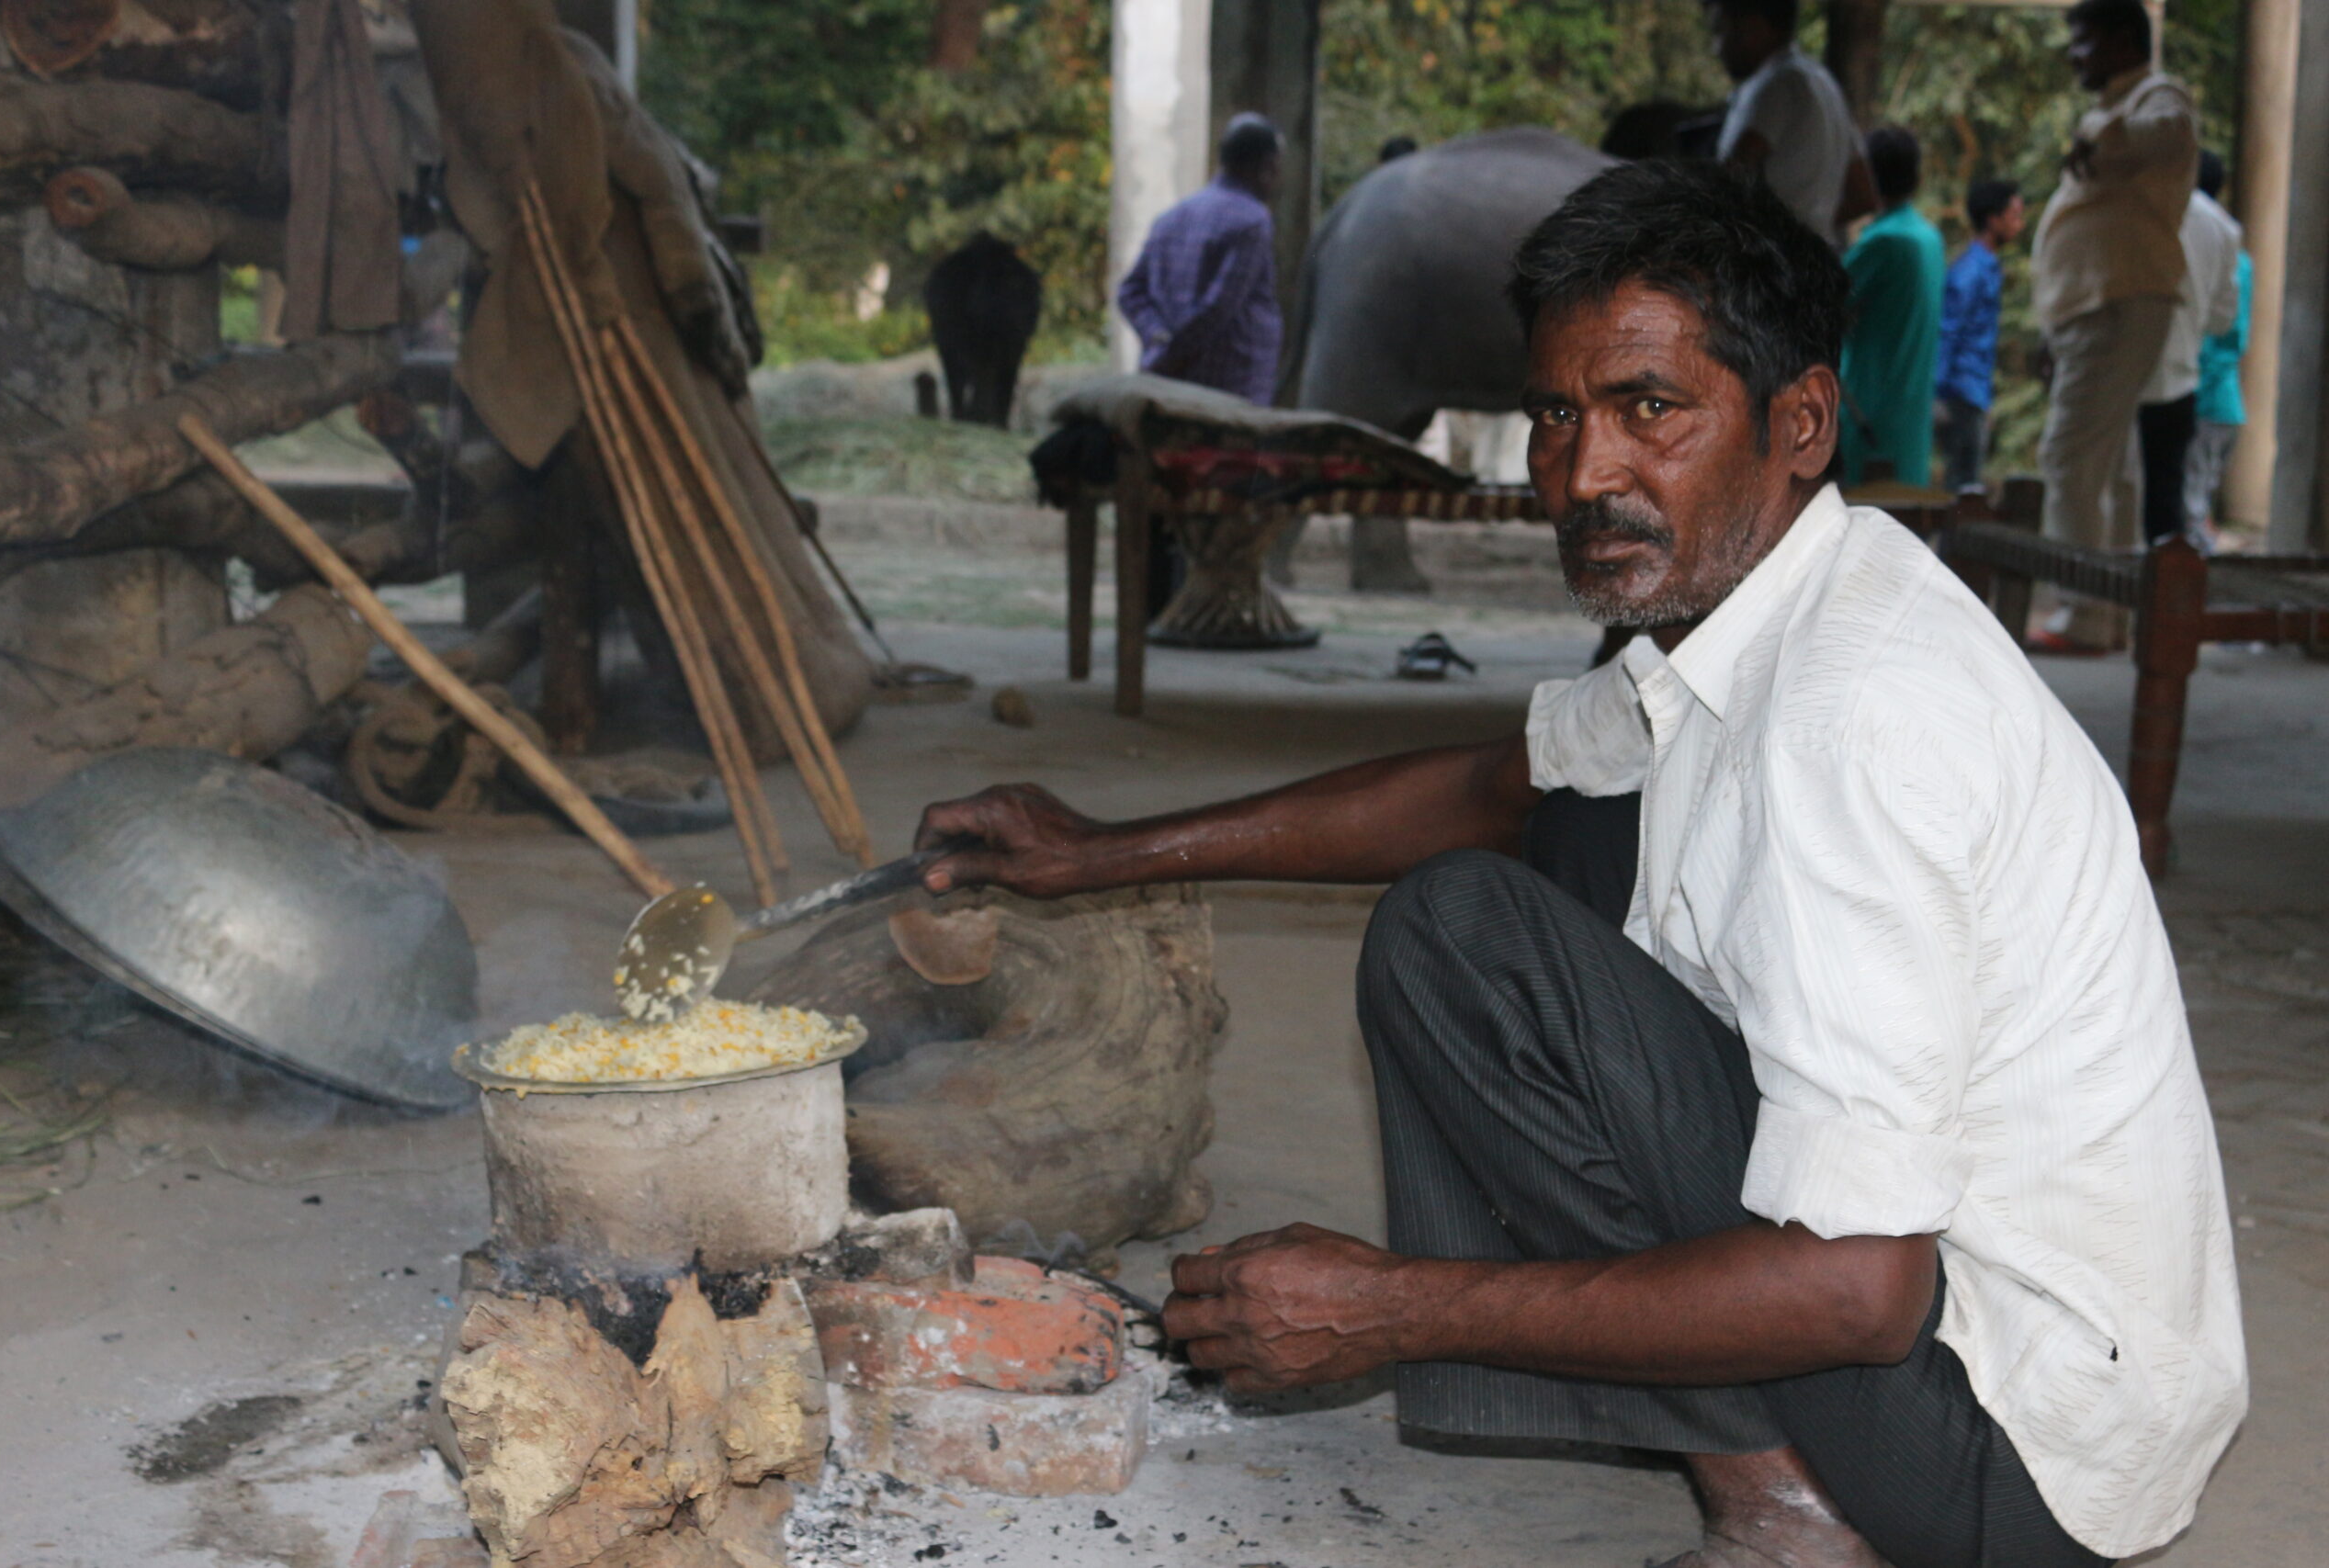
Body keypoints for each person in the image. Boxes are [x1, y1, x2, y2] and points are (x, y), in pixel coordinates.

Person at [915, 161, 2244, 1568]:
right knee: (1471, 911)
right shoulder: (1739, 609)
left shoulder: (1856, 713)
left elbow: (1860, 1289)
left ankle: (1791, 1516)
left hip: (2016, 1446)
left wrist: (1394, 1305)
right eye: (1558, 413)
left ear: (1801, 421)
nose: (1585, 473)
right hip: (1958, 1343)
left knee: (1493, 930)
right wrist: (1101, 850)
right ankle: (1752, 1441)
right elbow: (1494, 783)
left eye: (1649, 410)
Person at [2029, 0, 2197, 649]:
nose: (2076, 55)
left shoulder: (2161, 97)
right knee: (2113, 470)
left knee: (2068, 457)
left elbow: (2168, 134)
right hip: (2097, 306)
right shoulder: (2117, 107)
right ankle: (2111, 613)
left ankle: (2087, 615)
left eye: (2084, 39)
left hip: (2118, 303)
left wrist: (2102, 140)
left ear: (2125, 40)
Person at [1116, 113, 1286, 406]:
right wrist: (1174, 355)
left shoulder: (1172, 218)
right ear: (1266, 166)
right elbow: (1220, 308)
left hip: (1169, 386)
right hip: (1231, 388)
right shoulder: (1252, 221)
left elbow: (1130, 292)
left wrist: (1157, 338)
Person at [2133, 152, 2242, 548]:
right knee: (2167, 509)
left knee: (2117, 501)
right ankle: (2161, 605)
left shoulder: (2134, 199)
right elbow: (2222, 320)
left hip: (2121, 381)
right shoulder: (2222, 229)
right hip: (2179, 379)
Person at [1705, 0, 1873, 246]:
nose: (1717, 47)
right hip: (1818, 262)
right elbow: (1863, 195)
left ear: (1753, 26)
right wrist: (1811, 225)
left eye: (1722, 29)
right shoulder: (1824, 83)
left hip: (1774, 263)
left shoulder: (1776, 84)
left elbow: (1730, 178)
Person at [1838, 127, 1945, 486]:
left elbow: (1814, 307)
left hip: (1867, 417)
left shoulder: (1882, 243)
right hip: (1909, 420)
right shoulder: (1929, 238)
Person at [1935, 178, 2024, 494]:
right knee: (1962, 491)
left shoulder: (1987, 267)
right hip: (1961, 394)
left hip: (1974, 393)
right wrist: (1939, 395)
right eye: (2013, 215)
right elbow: (1948, 331)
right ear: (1993, 219)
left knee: (1966, 485)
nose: (2019, 223)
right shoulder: (1970, 272)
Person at [2182, 150, 2250, 547]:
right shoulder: (2240, 259)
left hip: (2206, 401)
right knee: (2197, 505)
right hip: (2226, 403)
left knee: (2190, 513)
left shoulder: (2206, 254)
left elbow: (2214, 337)